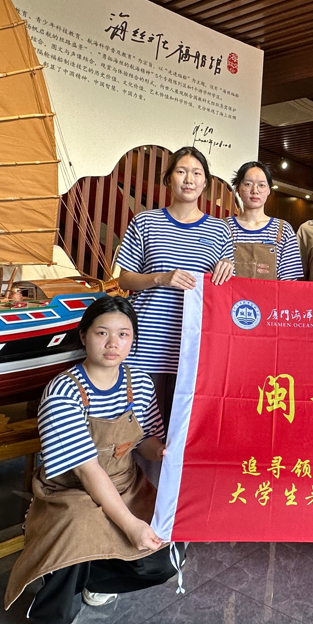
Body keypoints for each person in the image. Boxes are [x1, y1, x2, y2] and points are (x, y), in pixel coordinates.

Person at [5, 295, 175, 624]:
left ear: (133, 339)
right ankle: (52, 618)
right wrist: (130, 525)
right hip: (70, 490)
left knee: (162, 561)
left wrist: (162, 450)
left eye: (124, 334)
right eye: (102, 333)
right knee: (79, 532)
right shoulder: (63, 391)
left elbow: (144, 439)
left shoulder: (140, 383)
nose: (113, 343)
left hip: (125, 484)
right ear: (83, 336)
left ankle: (97, 578)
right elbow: (87, 469)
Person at [114, 146, 234, 426]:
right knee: (139, 427)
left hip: (193, 347)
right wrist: (160, 278)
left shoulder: (219, 230)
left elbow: (225, 293)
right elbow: (124, 279)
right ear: (169, 179)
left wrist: (228, 269)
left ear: (205, 182)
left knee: (182, 429)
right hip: (147, 344)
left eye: (196, 173)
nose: (189, 179)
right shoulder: (146, 221)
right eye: (181, 171)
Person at [229, 160, 303, 281]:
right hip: (231, 294)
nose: (255, 190)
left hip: (272, 294)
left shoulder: (283, 230)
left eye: (261, 185)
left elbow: (289, 281)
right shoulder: (223, 227)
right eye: (248, 184)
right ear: (237, 188)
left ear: (268, 190)